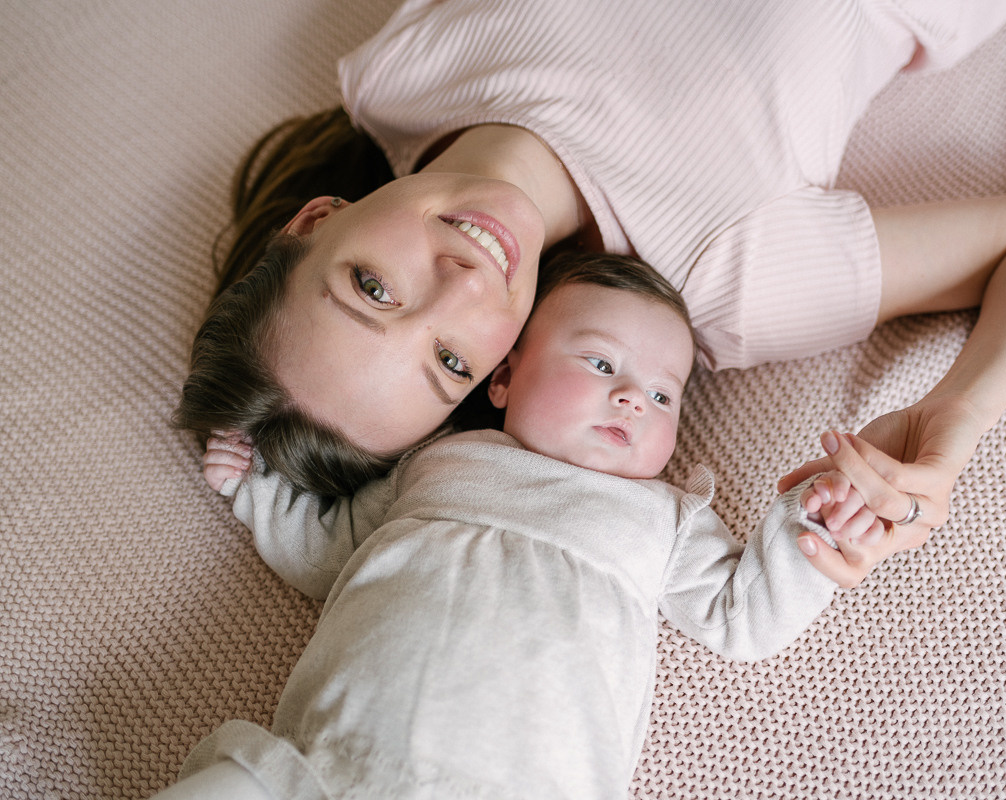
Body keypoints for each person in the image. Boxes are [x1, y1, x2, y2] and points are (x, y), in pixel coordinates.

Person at [174, 0, 1006, 587]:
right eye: (450, 360)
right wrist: (957, 415)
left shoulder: (399, 74)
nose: (462, 284)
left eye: (372, 286)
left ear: (313, 220)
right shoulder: (716, 273)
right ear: (499, 371)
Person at [157, 252, 883, 800]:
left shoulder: (664, 516)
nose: (633, 397)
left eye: (665, 394)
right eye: (601, 363)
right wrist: (256, 487)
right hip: (327, 766)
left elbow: (743, 618)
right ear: (502, 379)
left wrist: (809, 524)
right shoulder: (438, 461)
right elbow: (328, 553)